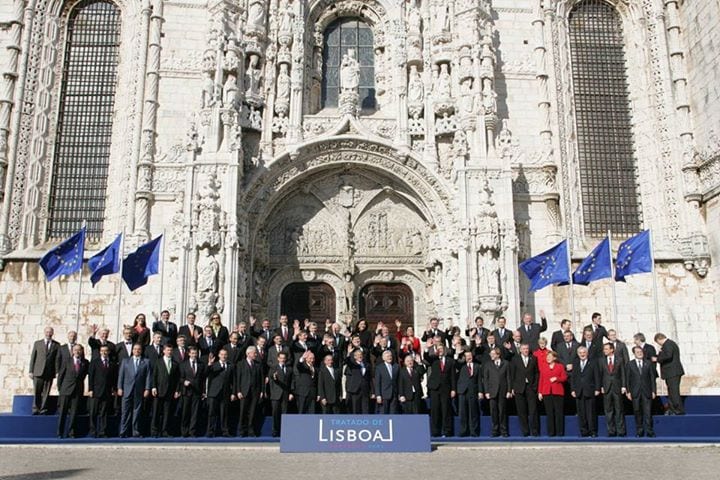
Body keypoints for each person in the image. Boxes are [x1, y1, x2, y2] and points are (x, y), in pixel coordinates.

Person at [117, 343, 152, 438]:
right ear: (132, 350)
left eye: (139, 349)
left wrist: (147, 388)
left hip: (139, 390)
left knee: (137, 412)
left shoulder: (146, 362)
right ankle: (123, 431)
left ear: (141, 351)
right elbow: (121, 375)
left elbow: (148, 376)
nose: (137, 351)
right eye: (135, 349)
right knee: (125, 411)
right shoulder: (126, 361)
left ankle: (135, 431)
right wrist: (119, 387)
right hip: (127, 390)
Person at [56, 344, 88, 438]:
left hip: (77, 391)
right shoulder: (67, 361)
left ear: (81, 351)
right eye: (75, 350)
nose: (77, 352)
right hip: (66, 390)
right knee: (63, 412)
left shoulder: (85, 362)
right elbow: (61, 376)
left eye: (79, 350)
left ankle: (71, 432)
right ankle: (60, 432)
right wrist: (60, 388)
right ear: (72, 351)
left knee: (74, 413)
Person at [425, 343, 456, 437]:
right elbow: (427, 358)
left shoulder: (450, 361)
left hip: (446, 389)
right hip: (435, 388)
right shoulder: (434, 360)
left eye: (441, 349)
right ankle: (435, 431)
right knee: (435, 410)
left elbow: (453, 376)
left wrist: (453, 389)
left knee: (446, 410)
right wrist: (427, 349)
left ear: (445, 350)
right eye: (438, 349)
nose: (440, 350)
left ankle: (447, 431)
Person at [151, 344, 181, 437]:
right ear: (163, 351)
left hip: (170, 392)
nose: (169, 352)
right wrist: (154, 387)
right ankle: (154, 431)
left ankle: (164, 431)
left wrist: (177, 390)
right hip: (159, 391)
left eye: (171, 350)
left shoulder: (175, 363)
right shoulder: (158, 362)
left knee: (167, 413)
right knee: (156, 412)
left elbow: (177, 379)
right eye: (168, 350)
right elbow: (154, 375)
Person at [28, 326, 60, 415]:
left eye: (50, 332)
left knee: (46, 392)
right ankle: (35, 408)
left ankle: (43, 408)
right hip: (38, 371)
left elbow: (57, 360)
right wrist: (31, 370)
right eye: (47, 332)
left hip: (49, 372)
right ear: (44, 332)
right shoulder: (37, 343)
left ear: (52, 333)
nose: (48, 334)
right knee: (37, 391)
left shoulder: (56, 345)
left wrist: (57, 372)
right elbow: (33, 357)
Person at [570, 346, 600, 437]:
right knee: (581, 413)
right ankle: (584, 431)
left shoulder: (593, 362)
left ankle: (592, 431)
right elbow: (573, 377)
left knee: (591, 413)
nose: (582, 354)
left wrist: (597, 388)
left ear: (587, 353)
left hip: (590, 390)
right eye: (580, 353)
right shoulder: (575, 363)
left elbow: (597, 376)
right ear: (578, 354)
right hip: (579, 391)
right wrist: (573, 389)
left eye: (584, 352)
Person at [626, 346, 656, 437]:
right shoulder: (630, 364)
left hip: (646, 391)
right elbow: (627, 379)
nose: (639, 353)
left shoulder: (648, 363)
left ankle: (649, 431)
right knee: (637, 411)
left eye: (641, 351)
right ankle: (639, 431)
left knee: (648, 412)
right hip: (635, 392)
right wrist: (628, 392)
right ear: (634, 353)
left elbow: (652, 378)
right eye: (637, 352)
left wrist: (654, 391)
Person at [88, 344, 116, 438]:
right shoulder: (95, 362)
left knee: (104, 412)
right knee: (93, 412)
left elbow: (113, 378)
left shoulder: (112, 363)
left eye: (106, 351)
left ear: (108, 352)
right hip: (96, 391)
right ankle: (93, 431)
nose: (104, 353)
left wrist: (113, 389)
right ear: (100, 352)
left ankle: (103, 431)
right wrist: (90, 389)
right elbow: (91, 376)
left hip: (107, 391)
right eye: (102, 351)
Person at [511, 344, 539, 437]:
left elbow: (536, 373)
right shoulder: (515, 359)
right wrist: (512, 388)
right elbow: (512, 374)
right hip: (519, 388)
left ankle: (534, 431)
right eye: (524, 349)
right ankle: (525, 431)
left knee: (533, 410)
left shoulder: (533, 358)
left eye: (527, 348)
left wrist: (535, 386)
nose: (526, 350)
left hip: (531, 388)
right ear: (520, 350)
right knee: (521, 411)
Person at [206, 348, 235, 437]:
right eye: (222, 354)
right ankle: (210, 431)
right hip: (214, 393)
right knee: (212, 413)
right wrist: (209, 365)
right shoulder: (214, 365)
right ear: (218, 355)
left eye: (225, 354)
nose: (224, 356)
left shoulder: (231, 366)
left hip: (225, 393)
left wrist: (233, 393)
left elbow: (234, 380)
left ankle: (225, 431)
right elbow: (206, 373)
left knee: (224, 413)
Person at [599, 342, 627, 437]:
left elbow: (623, 373)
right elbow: (600, 375)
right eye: (604, 349)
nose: (604, 351)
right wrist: (601, 386)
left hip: (617, 387)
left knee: (619, 409)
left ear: (612, 349)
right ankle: (611, 431)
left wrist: (623, 386)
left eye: (606, 349)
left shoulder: (619, 360)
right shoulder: (602, 360)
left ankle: (621, 430)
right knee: (608, 410)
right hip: (606, 388)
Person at [654, 333, 685, 415]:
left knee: (674, 391)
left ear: (659, 339)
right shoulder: (669, 344)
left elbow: (668, 355)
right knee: (671, 391)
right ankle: (672, 409)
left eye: (658, 342)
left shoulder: (668, 344)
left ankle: (678, 409)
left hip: (672, 372)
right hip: (671, 373)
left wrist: (657, 359)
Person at [236, 345, 264, 437]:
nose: (255, 354)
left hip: (255, 392)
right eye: (254, 353)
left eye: (256, 353)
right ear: (248, 354)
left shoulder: (258, 364)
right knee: (243, 412)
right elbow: (238, 378)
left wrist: (261, 391)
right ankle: (241, 431)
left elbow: (261, 379)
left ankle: (250, 430)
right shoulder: (241, 364)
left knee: (252, 412)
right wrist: (238, 391)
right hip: (244, 391)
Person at [483, 347, 511, 437]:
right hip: (492, 391)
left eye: (493, 354)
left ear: (498, 354)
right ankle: (495, 431)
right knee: (493, 412)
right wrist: (486, 391)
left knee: (502, 411)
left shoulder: (506, 363)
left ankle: (504, 431)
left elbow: (508, 378)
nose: (491, 356)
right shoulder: (488, 364)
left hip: (502, 391)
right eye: (491, 354)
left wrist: (509, 390)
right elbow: (486, 379)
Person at [538, 350, 567, 437]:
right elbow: (541, 380)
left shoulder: (560, 366)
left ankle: (559, 432)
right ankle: (551, 432)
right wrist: (540, 392)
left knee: (559, 412)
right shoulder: (543, 367)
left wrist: (557, 378)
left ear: (554, 358)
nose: (548, 358)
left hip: (557, 392)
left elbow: (564, 378)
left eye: (550, 357)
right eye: (547, 357)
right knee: (549, 413)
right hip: (547, 392)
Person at [179, 346, 205, 437]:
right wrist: (184, 382)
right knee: (185, 412)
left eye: (196, 353)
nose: (194, 355)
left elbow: (203, 379)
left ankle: (192, 431)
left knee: (195, 413)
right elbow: (180, 378)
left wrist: (203, 391)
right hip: (187, 392)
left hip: (197, 392)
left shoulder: (201, 364)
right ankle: (184, 431)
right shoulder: (183, 364)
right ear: (189, 354)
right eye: (192, 353)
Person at [456, 349, 482, 437]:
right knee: (463, 412)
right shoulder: (461, 366)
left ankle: (473, 431)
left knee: (473, 413)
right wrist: (458, 354)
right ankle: (463, 431)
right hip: (462, 391)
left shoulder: (477, 366)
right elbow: (456, 363)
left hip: (473, 391)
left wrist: (480, 391)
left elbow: (479, 380)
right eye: (467, 356)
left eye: (470, 356)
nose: (469, 358)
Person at [268, 352, 293, 436]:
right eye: (281, 358)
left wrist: (291, 393)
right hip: (276, 394)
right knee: (275, 413)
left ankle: (284, 431)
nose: (282, 360)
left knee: (284, 413)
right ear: (278, 358)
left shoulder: (289, 369)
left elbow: (291, 381)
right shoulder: (273, 368)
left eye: (284, 358)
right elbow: (272, 376)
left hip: (285, 394)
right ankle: (275, 431)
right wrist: (274, 377)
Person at [345, 348, 374, 414]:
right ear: (355, 357)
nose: (360, 356)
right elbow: (347, 361)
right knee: (356, 408)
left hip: (365, 390)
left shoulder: (367, 365)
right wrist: (349, 354)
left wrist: (372, 391)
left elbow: (369, 379)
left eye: (361, 354)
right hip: (355, 390)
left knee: (365, 408)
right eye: (357, 355)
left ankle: (365, 421)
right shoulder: (352, 365)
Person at [292, 350, 318, 414]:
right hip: (303, 393)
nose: (312, 360)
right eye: (310, 358)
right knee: (301, 411)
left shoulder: (315, 368)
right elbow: (298, 365)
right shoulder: (303, 366)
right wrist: (302, 358)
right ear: (306, 359)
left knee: (312, 412)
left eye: (313, 358)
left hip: (312, 393)